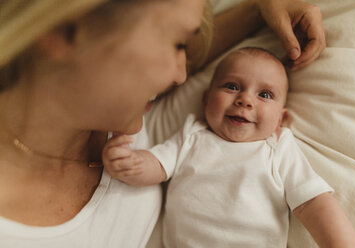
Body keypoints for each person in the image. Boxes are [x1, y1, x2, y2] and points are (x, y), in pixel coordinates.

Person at [0, 0, 328, 247]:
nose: (182, 76)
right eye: (177, 45)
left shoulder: (116, 106)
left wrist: (260, 8)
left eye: (185, 47)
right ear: (64, 31)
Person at [103, 48, 355, 247]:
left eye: (265, 95)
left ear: (279, 120)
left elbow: (312, 203)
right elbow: (158, 166)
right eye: (232, 86)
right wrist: (130, 163)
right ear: (206, 100)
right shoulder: (192, 135)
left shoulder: (277, 148)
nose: (245, 99)